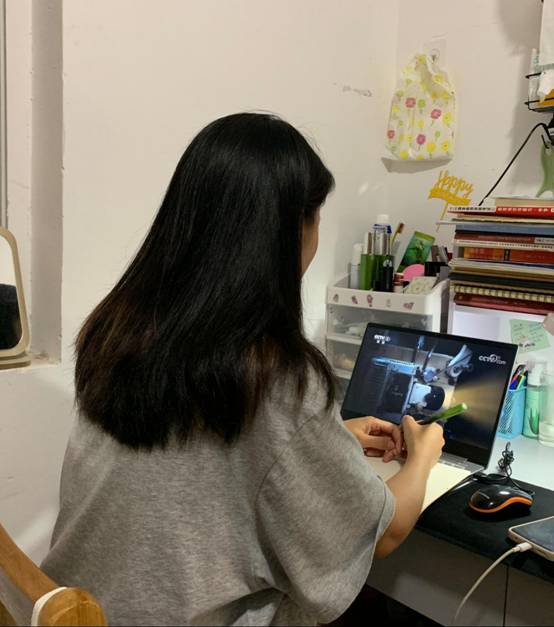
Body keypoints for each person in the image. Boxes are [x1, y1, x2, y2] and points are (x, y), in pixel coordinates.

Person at [42, 112, 444, 626]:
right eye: (315, 219)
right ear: (292, 230)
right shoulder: (275, 377)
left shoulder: (119, 331)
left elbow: (195, 460)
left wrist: (326, 439)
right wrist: (423, 458)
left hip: (74, 607)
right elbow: (383, 533)